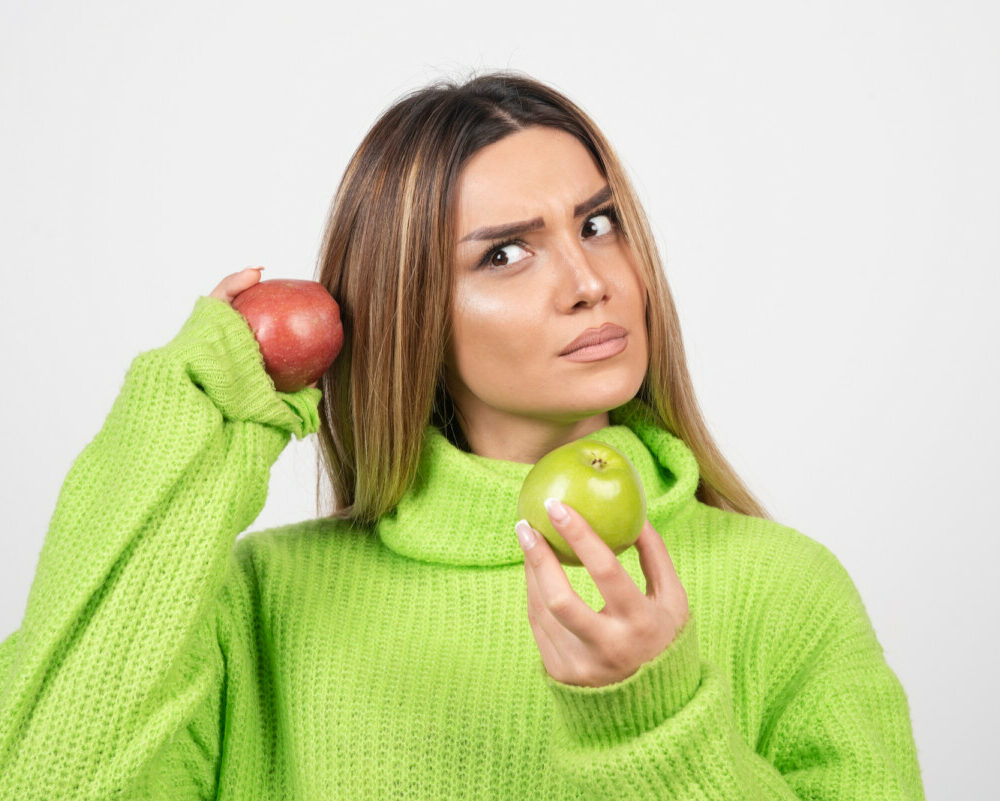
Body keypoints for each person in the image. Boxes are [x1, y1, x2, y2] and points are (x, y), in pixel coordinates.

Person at [0, 71, 925, 799]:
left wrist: (653, 716)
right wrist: (187, 415)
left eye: (598, 223)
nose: (587, 279)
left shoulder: (785, 588)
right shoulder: (258, 603)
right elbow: (48, 776)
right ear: (411, 315)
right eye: (505, 253)